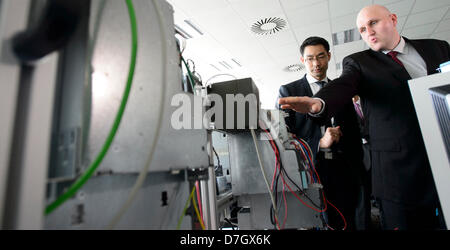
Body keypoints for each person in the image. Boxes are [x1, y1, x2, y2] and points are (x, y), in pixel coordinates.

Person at [279, 5, 450, 230]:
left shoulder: (438, 49)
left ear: (393, 19)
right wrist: (318, 106)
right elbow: (286, 137)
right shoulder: (358, 65)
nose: (368, 31)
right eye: (362, 29)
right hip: (317, 170)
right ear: (303, 60)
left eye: (373, 23)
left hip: (356, 169)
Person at [276, 36, 366, 230]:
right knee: (319, 221)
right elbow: (284, 138)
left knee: (347, 219)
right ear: (302, 61)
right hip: (311, 169)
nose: (316, 63)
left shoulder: (341, 90)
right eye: (310, 58)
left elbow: (354, 131)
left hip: (344, 168)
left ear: (329, 57)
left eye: (321, 56)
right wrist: (319, 142)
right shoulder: (288, 91)